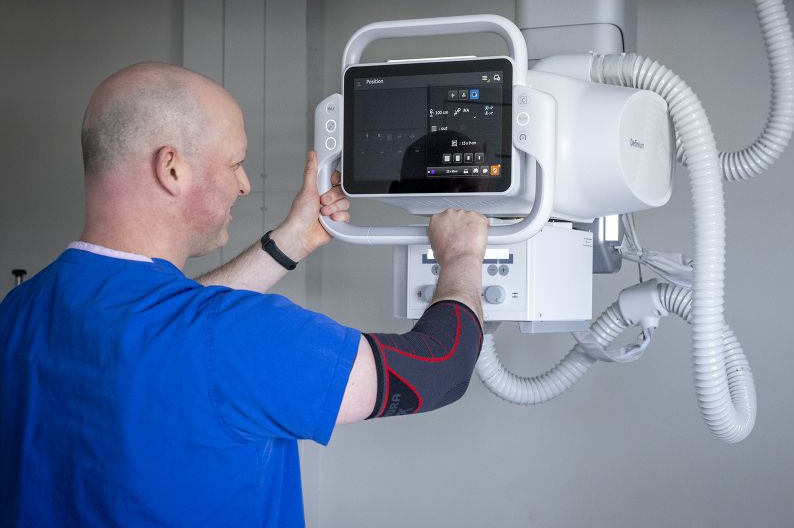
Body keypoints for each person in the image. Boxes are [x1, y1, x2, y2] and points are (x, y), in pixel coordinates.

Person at [0, 62, 488, 527]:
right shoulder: (234, 336)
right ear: (172, 169)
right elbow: (440, 368)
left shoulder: (18, 311)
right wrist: (462, 256)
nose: (245, 184)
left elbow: (164, 323)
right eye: (236, 163)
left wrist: (291, 242)